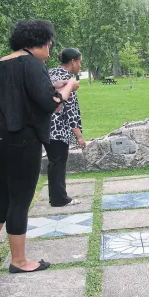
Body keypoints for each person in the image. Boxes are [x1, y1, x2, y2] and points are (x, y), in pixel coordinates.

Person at [0, 20, 80, 273]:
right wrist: (68, 85)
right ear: (40, 42)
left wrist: (53, 87)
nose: (50, 51)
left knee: (3, 189)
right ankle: (19, 261)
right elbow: (52, 104)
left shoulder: (3, 63)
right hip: (22, 139)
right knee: (21, 198)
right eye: (49, 45)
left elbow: (20, 94)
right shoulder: (32, 64)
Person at [44, 48, 85, 207]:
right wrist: (79, 136)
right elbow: (70, 110)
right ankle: (59, 199)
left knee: (53, 162)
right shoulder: (69, 80)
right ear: (73, 61)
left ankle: (55, 196)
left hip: (44, 127)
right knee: (58, 163)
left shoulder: (50, 73)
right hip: (58, 129)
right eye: (79, 61)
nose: (80, 65)